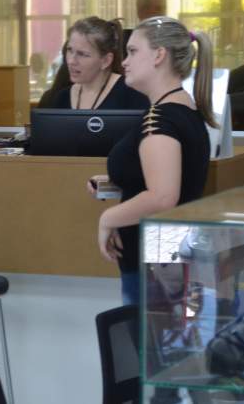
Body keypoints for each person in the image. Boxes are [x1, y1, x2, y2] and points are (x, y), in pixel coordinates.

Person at [88, 16, 215, 305]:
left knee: (146, 346)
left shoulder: (160, 119)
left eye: (133, 52)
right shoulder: (183, 112)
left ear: (159, 55)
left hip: (156, 266)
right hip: (165, 262)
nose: (125, 62)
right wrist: (116, 183)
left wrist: (108, 219)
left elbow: (163, 197)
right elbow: (168, 183)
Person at [50, 16, 150, 111]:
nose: (71, 61)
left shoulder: (132, 95)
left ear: (106, 61)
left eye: (82, 54)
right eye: (70, 50)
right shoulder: (62, 98)